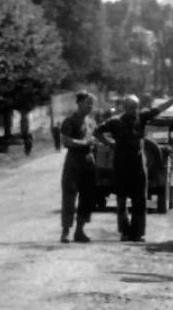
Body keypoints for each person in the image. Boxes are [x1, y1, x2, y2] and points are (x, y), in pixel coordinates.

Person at [95, 92, 173, 242]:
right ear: (124, 107)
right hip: (121, 166)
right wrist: (110, 143)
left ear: (138, 107)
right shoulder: (115, 122)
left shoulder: (141, 118)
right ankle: (124, 232)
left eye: (135, 107)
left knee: (140, 200)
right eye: (129, 107)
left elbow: (159, 109)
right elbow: (97, 131)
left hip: (139, 166)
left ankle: (138, 233)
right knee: (121, 201)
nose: (133, 110)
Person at [60, 92, 99, 243]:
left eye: (92, 103)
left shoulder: (90, 121)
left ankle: (80, 230)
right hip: (74, 161)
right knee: (69, 196)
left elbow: (94, 137)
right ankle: (66, 231)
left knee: (87, 197)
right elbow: (66, 141)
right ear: (79, 103)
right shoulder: (70, 121)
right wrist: (84, 143)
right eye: (88, 103)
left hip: (89, 161)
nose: (90, 106)